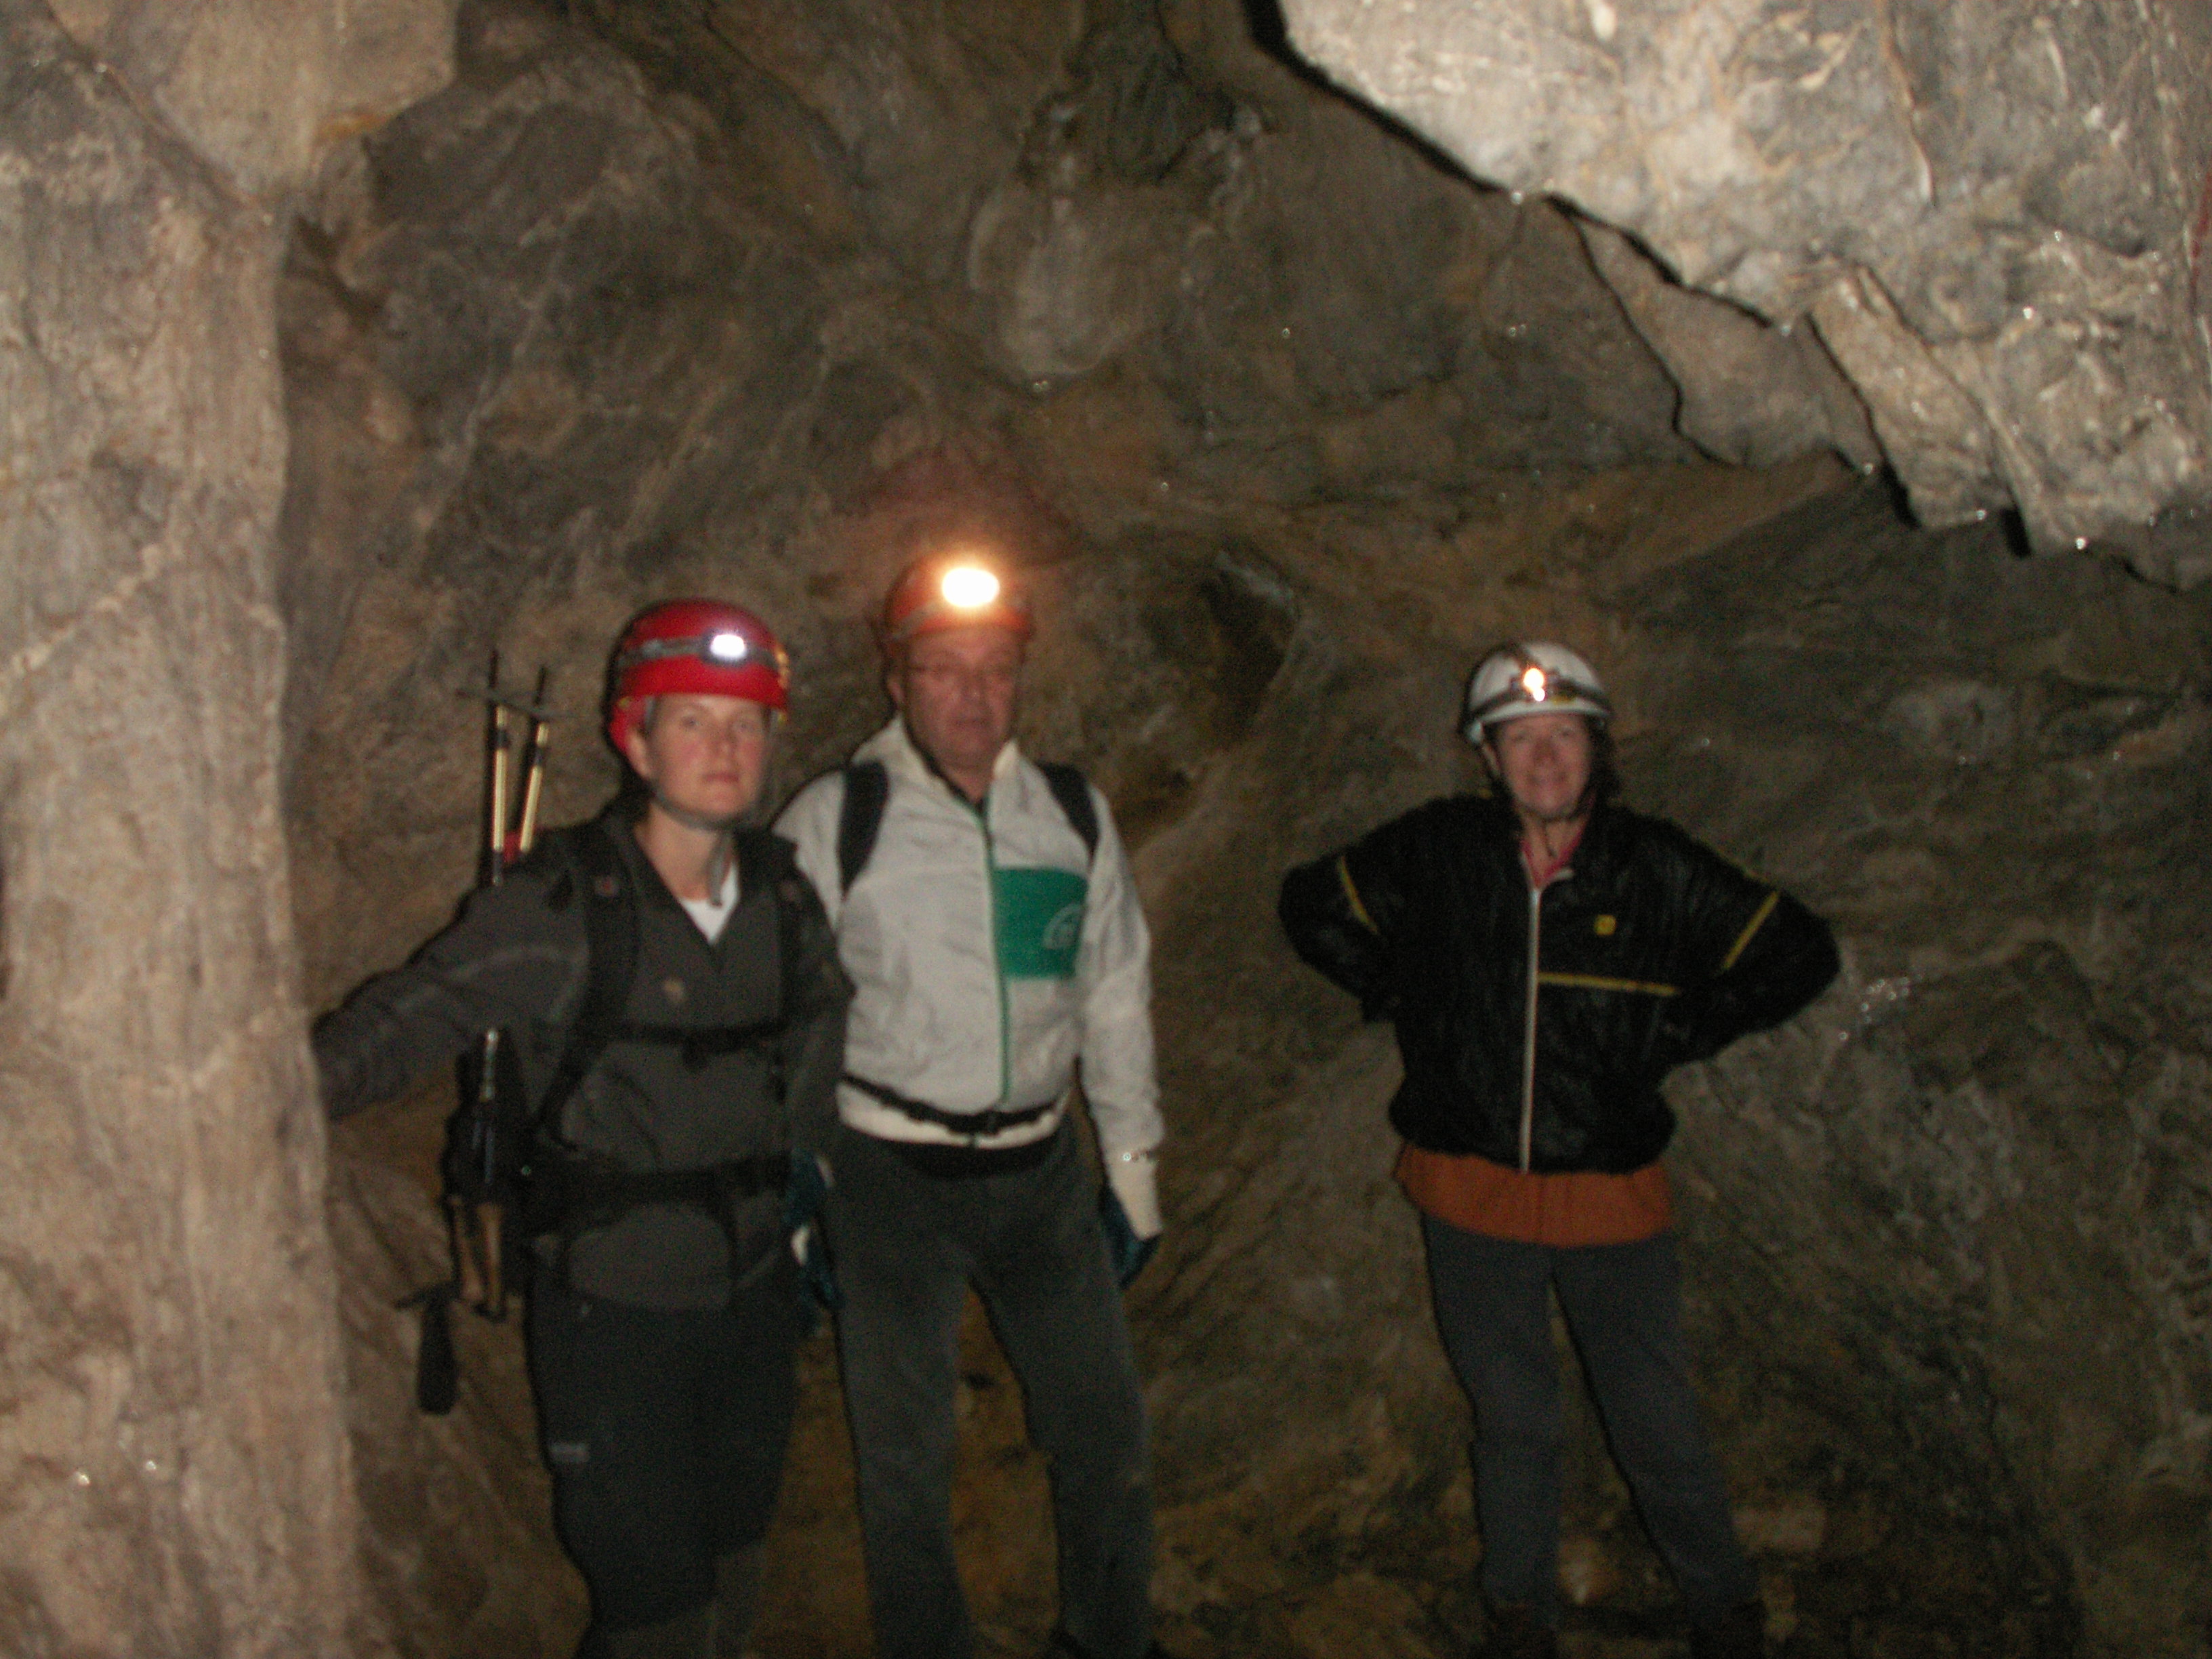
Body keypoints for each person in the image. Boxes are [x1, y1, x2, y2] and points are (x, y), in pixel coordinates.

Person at [1277, 642, 1838, 1659]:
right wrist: (1404, 992)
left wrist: (1682, 1029)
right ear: (1488, 757)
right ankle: (1519, 1612)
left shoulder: (1654, 868)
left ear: (1597, 749)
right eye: (1522, 739)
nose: (1544, 758)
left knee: (1653, 1412)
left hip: (1607, 1188)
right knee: (1514, 1416)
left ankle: (1725, 1608)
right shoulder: (1442, 852)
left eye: (1565, 736)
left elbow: (1800, 951)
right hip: (1470, 1186)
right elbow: (1312, 903)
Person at [314, 600, 851, 1659]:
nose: (725, 748)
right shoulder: (563, 907)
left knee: (736, 1575)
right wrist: (272, 1093)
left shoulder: (786, 900)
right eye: (692, 721)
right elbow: (410, 1019)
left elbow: (822, 1039)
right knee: (656, 1611)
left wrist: (809, 1198)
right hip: (615, 1317)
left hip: (752, 1304)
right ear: (634, 742)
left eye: (746, 725)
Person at [775, 552, 1166, 1659]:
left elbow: (1114, 991)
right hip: (886, 1175)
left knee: (1103, 1430)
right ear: (897, 682)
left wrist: (1133, 1168)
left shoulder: (1070, 816)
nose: (974, 694)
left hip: (1039, 1173)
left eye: (996, 669)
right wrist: (791, 1183)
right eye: (945, 669)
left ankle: (1110, 1639)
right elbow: (783, 1011)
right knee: (905, 1455)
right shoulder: (840, 818)